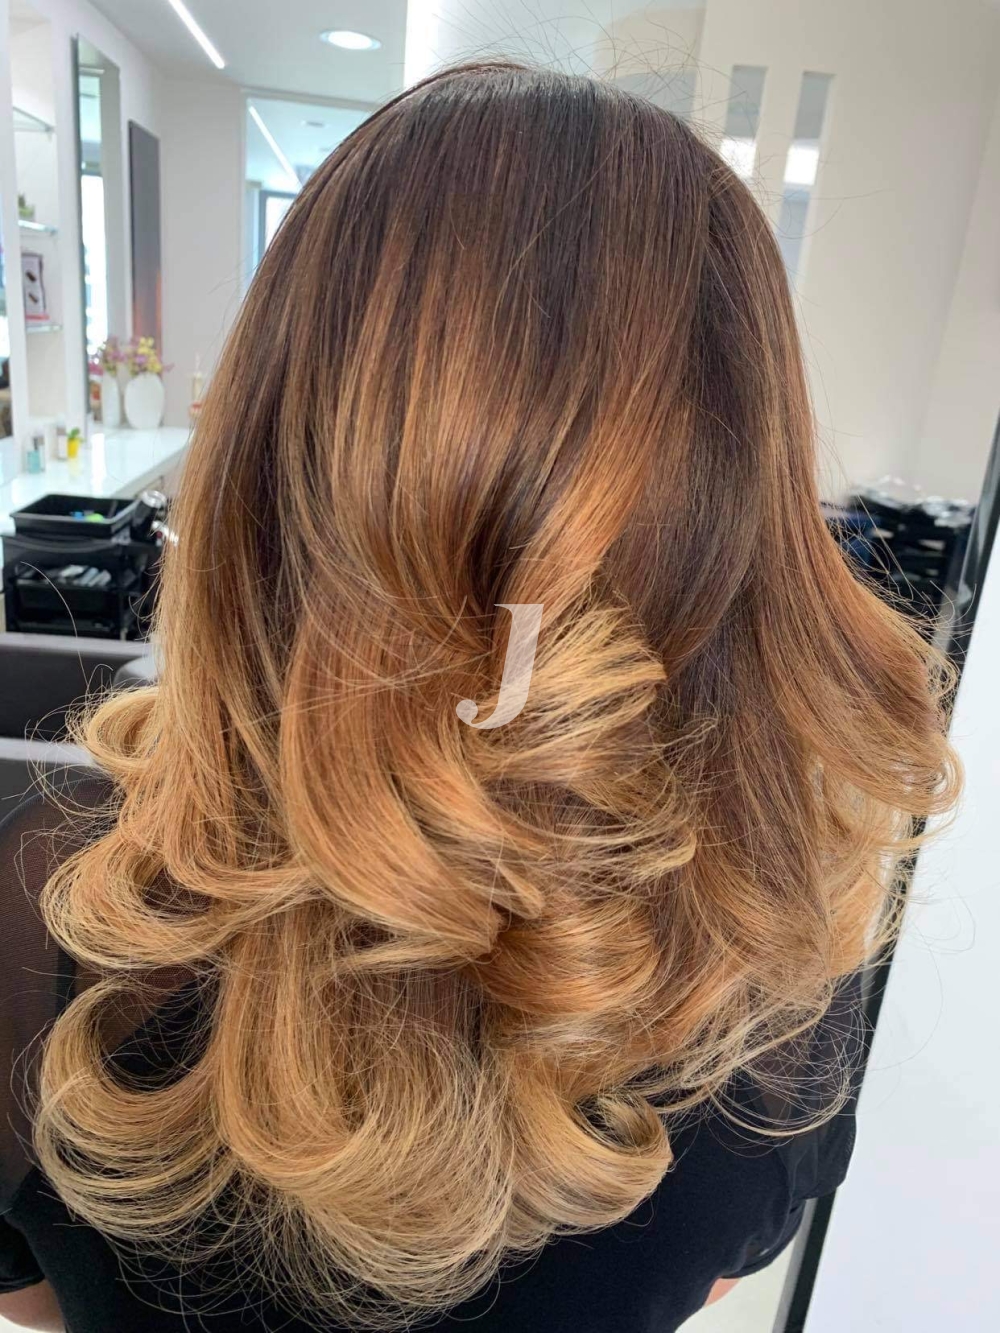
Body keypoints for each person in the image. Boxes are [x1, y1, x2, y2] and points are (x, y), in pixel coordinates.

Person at [0, 63, 956, 1332]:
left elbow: (35, 1301)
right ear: (740, 496)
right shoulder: (781, 946)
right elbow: (715, 1269)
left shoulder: (50, 915)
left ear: (268, 455)